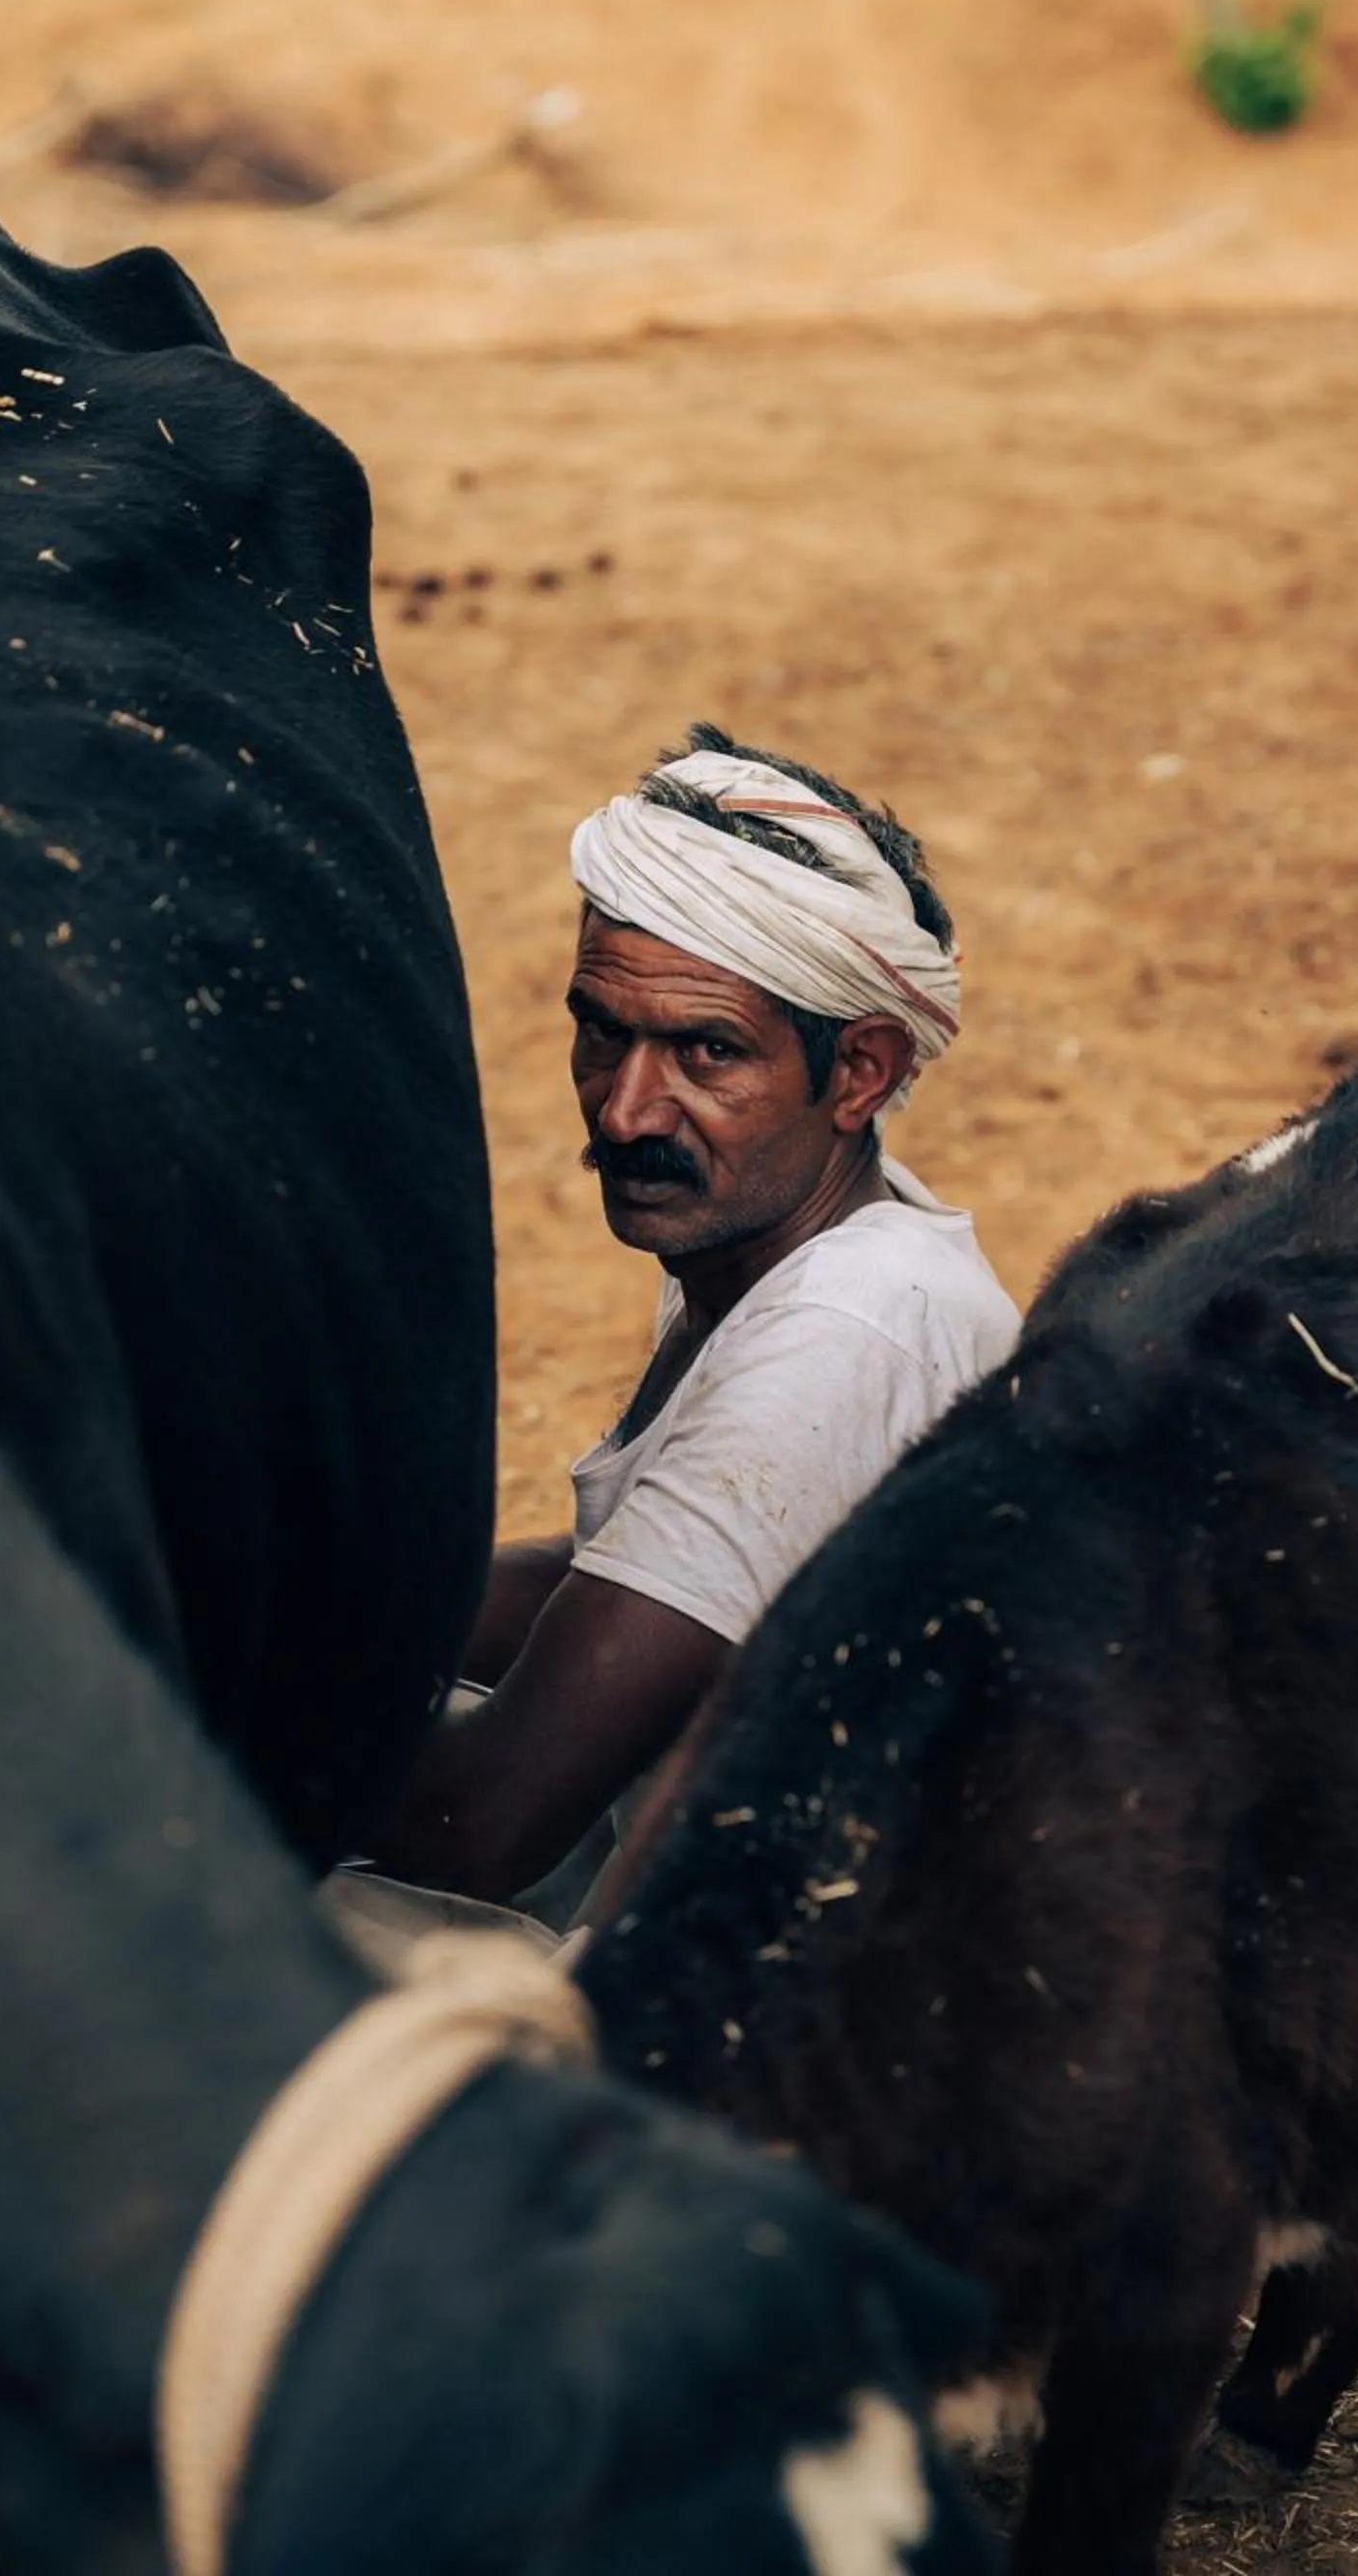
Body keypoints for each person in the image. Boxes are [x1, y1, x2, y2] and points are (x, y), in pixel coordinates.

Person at [363, 723, 1019, 1917]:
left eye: (706, 1052)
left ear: (860, 1072)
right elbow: (647, 1576)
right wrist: (324, 1604)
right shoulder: (789, 1239)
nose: (624, 1112)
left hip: (780, 1989)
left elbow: (480, 1827)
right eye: (602, 1032)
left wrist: (196, 1691)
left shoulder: (843, 1335)